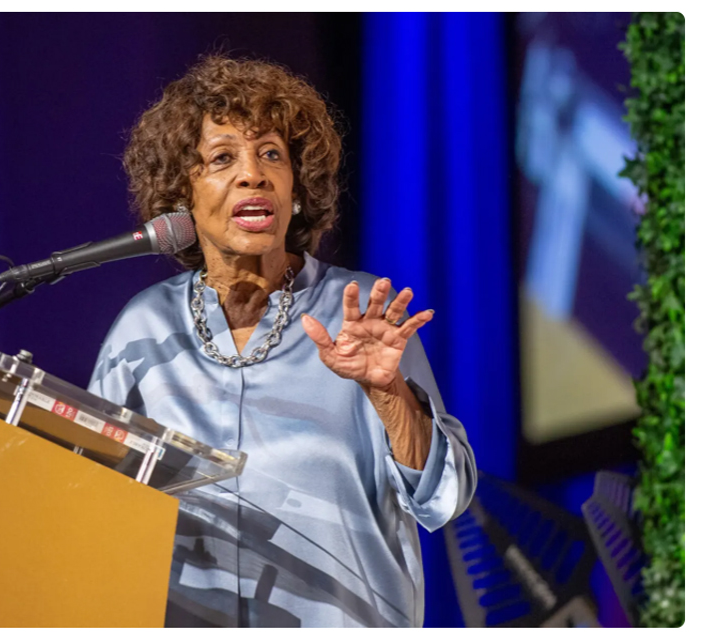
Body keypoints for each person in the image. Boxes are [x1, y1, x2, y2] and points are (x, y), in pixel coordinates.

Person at [89, 55, 476, 628]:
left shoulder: (363, 314)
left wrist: (391, 395)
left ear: (296, 188)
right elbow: (92, 508)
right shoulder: (142, 332)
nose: (254, 174)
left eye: (272, 154)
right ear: (182, 194)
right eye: (223, 158)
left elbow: (444, 500)